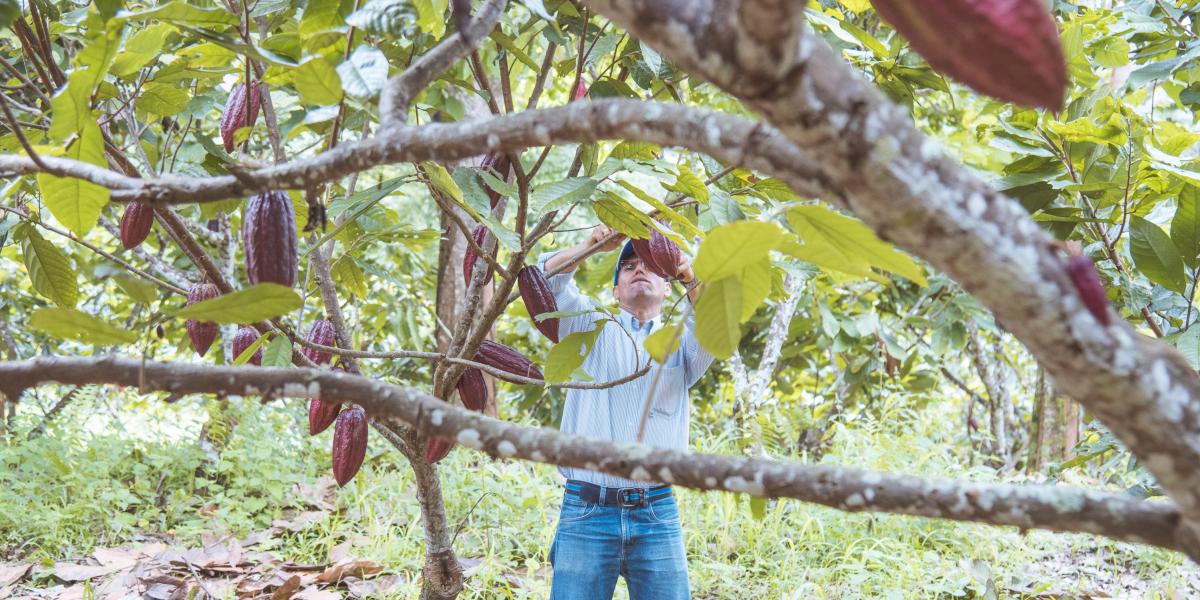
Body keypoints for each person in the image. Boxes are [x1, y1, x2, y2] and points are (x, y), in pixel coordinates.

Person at [536, 224, 715, 600]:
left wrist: (689, 272)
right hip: (586, 509)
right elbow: (541, 280)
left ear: (668, 287)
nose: (638, 269)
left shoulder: (683, 341)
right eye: (628, 265)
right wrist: (591, 245)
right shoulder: (587, 325)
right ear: (615, 289)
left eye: (649, 264)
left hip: (656, 511)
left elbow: (716, 321)